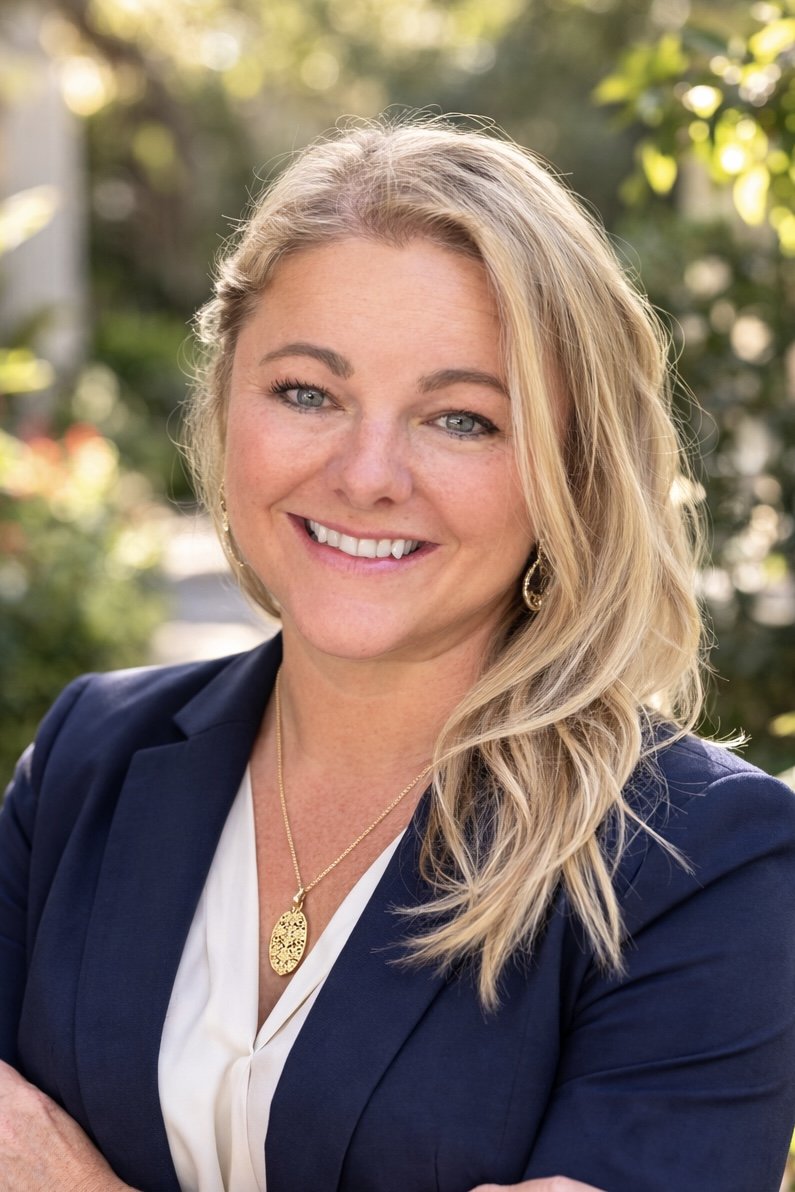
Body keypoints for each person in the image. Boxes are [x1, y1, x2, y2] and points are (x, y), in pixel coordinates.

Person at [1, 114, 794, 1192]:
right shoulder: (88, 756)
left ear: (574, 467)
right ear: (228, 401)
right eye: (307, 393)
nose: (367, 473)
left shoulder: (701, 860)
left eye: (461, 418)